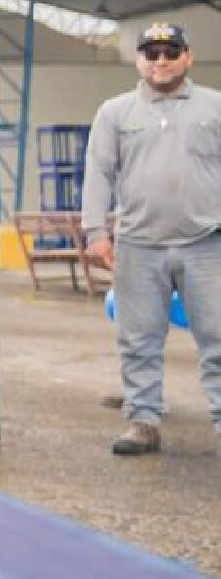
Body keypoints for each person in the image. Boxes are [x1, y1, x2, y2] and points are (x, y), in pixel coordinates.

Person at [81, 22, 221, 456]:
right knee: (138, 339)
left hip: (207, 242)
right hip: (138, 246)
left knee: (218, 336)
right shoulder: (115, 112)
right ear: (139, 60)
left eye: (170, 52)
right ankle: (143, 420)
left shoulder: (215, 107)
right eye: (151, 53)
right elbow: (99, 171)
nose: (161, 61)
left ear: (188, 57)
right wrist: (94, 231)